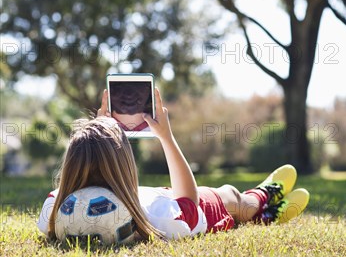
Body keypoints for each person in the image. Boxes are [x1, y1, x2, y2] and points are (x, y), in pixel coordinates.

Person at [37, 88, 310, 241]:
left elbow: (70, 183)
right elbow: (189, 203)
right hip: (187, 205)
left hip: (156, 194)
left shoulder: (54, 210)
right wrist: (166, 138)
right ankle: (264, 202)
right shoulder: (158, 217)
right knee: (232, 197)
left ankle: (264, 208)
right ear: (125, 165)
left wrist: (100, 128)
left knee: (229, 197)